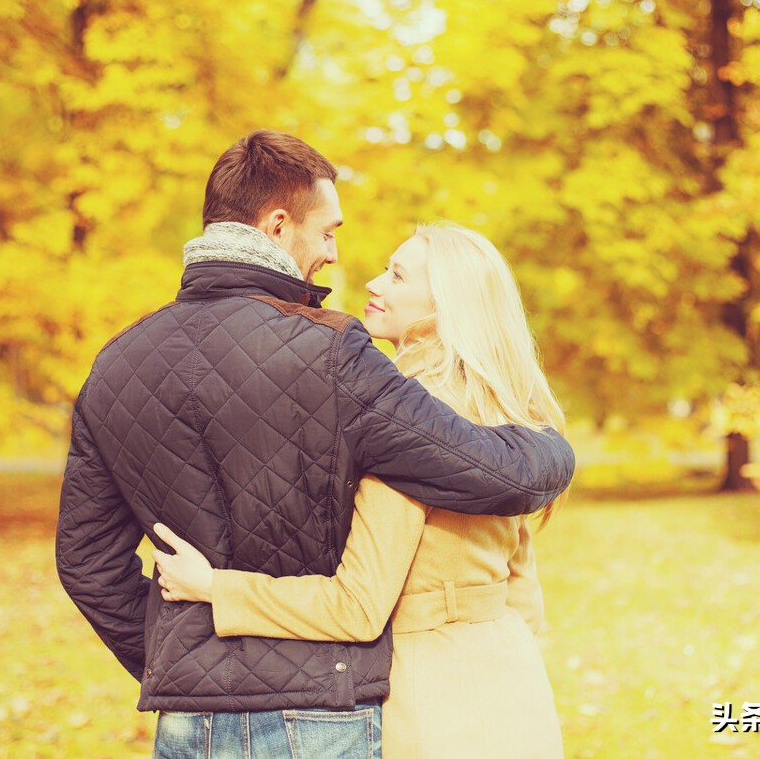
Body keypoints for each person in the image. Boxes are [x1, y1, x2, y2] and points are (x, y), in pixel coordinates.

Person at [55, 130, 576, 759]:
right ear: (278, 225)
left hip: (191, 717)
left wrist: (189, 664)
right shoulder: (335, 354)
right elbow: (492, 473)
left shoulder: (113, 366)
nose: (333, 255)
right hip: (322, 711)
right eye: (327, 232)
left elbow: (86, 565)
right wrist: (554, 449)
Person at [151, 222, 568, 757]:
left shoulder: (406, 422)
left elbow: (357, 607)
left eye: (397, 275)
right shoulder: (502, 411)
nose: (374, 283)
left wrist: (215, 586)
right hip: (513, 684)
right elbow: (522, 586)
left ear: (444, 307)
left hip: (432, 699)